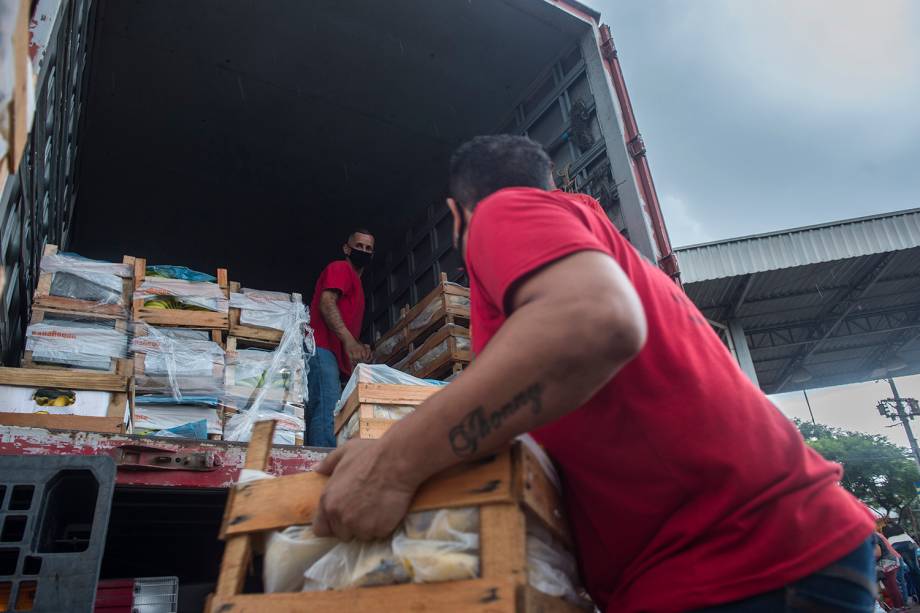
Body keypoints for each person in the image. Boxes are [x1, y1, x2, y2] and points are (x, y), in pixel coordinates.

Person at [311, 135, 877, 611]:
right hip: (767, 559)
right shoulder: (591, 244)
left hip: (741, 563)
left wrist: (391, 464)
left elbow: (591, 324)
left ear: (458, 213)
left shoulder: (503, 214)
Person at [305, 228, 374, 447]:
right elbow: (327, 303)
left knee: (331, 411)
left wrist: (359, 348)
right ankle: (323, 469)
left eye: (368, 248)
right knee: (327, 411)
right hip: (322, 349)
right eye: (359, 246)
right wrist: (348, 341)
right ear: (347, 248)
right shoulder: (341, 268)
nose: (363, 251)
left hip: (334, 357)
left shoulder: (357, 284)